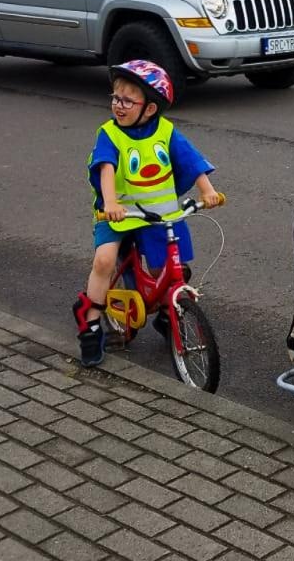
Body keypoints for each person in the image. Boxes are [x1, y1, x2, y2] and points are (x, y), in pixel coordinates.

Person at [74, 60, 219, 367]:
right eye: (115, 98)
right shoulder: (110, 134)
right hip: (118, 214)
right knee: (104, 261)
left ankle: (169, 314)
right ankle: (91, 324)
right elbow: (106, 168)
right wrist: (111, 203)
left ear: (150, 109)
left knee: (167, 268)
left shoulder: (166, 131)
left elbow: (190, 160)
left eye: (127, 100)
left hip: (158, 214)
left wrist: (207, 189)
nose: (118, 105)